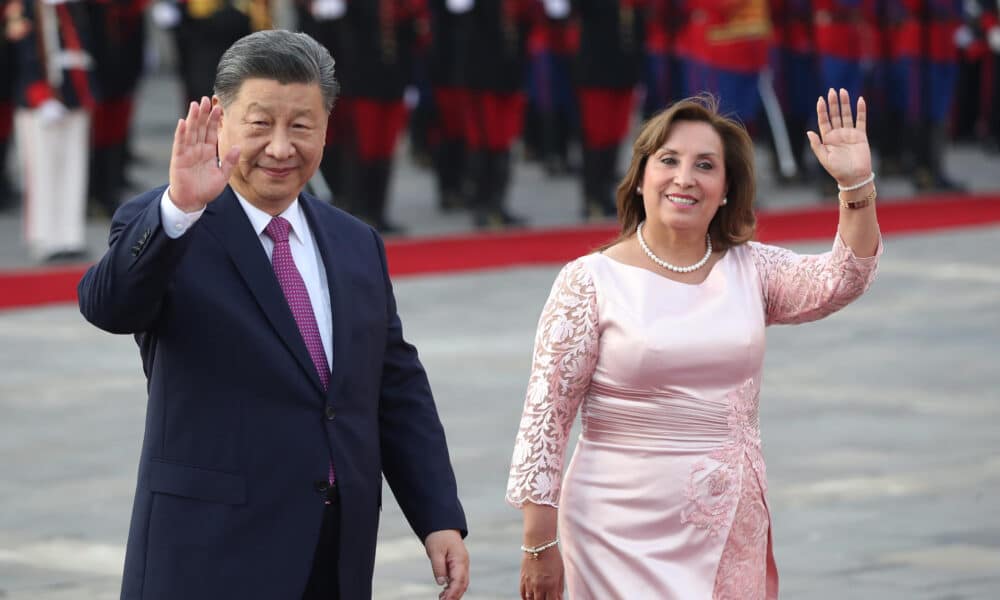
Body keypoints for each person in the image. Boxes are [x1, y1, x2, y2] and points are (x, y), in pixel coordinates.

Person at [77, 30, 469, 599]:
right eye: (260, 125)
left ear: (327, 128)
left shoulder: (354, 241)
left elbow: (394, 386)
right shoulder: (171, 223)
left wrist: (438, 515)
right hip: (209, 555)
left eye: (301, 126)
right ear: (222, 122)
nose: (281, 148)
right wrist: (179, 208)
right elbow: (108, 305)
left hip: (334, 556)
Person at [506, 89, 882, 599]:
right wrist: (537, 545)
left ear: (726, 189)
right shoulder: (588, 282)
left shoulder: (751, 269)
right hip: (611, 532)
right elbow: (544, 422)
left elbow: (844, 277)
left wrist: (855, 184)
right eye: (669, 161)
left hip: (726, 522)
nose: (685, 178)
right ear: (641, 178)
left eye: (705, 165)